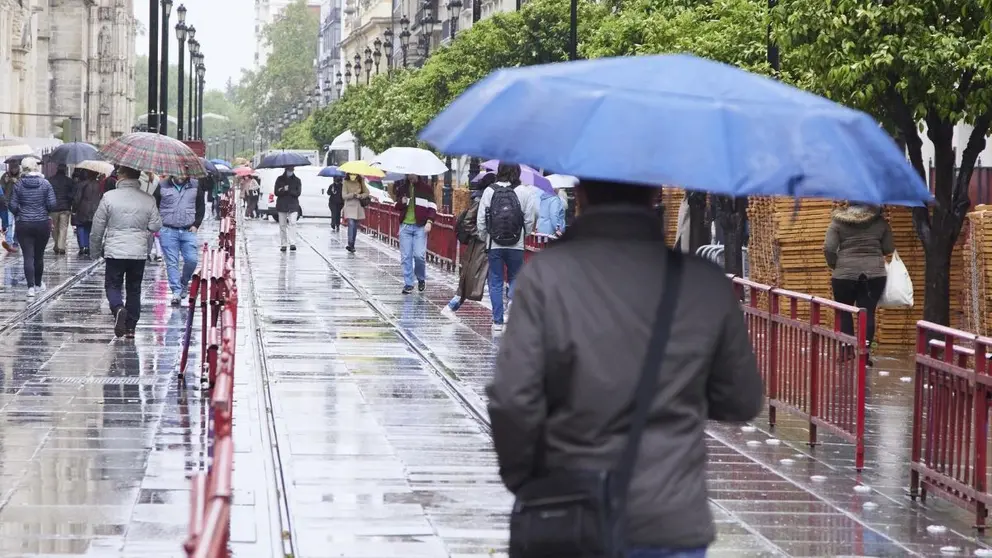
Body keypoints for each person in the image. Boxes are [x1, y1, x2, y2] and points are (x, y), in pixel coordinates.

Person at [486, 178, 764, 558]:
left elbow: (513, 398)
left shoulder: (547, 276)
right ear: (654, 196)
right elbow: (741, 399)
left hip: (569, 511)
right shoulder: (704, 283)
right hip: (668, 517)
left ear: (581, 195)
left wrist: (527, 480)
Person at [89, 166, 163, 338]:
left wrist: (94, 250)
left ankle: (118, 308)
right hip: (138, 251)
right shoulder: (148, 198)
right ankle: (131, 327)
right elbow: (155, 225)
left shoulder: (109, 197)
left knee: (113, 285)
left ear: (122, 176)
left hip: (115, 251)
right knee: (134, 288)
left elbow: (97, 227)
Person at [824, 203, 894, 364]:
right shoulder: (880, 222)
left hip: (844, 275)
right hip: (874, 274)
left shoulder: (837, 223)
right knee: (868, 312)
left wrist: (835, 264)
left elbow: (829, 248)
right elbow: (888, 247)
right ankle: (865, 354)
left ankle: (846, 351)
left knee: (844, 312)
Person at [476, 162, 538, 331]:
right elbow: (530, 219)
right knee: (515, 277)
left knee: (495, 280)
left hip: (494, 243)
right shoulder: (525, 192)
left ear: (499, 171)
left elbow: (481, 219)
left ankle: (497, 321)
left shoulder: (490, 191)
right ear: (517, 172)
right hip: (516, 244)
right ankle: (512, 299)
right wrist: (523, 236)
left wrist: (486, 237)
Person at [442, 179, 490, 318]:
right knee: (473, 277)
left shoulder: (479, 199)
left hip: (480, 244)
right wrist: (481, 235)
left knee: (472, 276)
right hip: (480, 244)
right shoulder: (481, 200)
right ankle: (454, 303)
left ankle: (454, 303)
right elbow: (468, 221)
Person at [155, 174, 205, 306]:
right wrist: (158, 225)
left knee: (192, 260)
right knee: (172, 262)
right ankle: (176, 292)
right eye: (178, 173)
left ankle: (183, 282)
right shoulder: (162, 185)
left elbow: (201, 207)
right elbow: (155, 205)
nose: (181, 176)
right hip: (168, 229)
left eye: (184, 173)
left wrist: (196, 225)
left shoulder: (195, 185)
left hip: (188, 230)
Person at [9, 158, 56, 297]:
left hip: (24, 224)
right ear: (36, 168)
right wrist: (43, 211)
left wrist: (20, 213)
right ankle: (38, 283)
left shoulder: (18, 185)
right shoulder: (45, 184)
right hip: (42, 223)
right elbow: (52, 204)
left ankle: (30, 288)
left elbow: (12, 205)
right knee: (39, 256)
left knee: (27, 256)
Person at [394, 175, 437, 294]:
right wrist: (401, 202)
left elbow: (433, 207)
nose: (410, 176)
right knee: (406, 256)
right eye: (408, 174)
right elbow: (396, 206)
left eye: (412, 174)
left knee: (419, 255)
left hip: (420, 227)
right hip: (405, 227)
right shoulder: (402, 188)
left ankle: (421, 278)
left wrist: (429, 222)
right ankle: (408, 283)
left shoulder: (426, 189)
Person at [72, 170, 104, 256]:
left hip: (83, 208)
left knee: (81, 226)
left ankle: (82, 246)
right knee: (90, 228)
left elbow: (77, 198)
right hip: (95, 208)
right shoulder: (99, 184)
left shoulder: (82, 184)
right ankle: (89, 246)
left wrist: (74, 209)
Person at [48, 164, 75, 255]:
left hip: (53, 208)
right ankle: (61, 247)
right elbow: (73, 194)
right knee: (63, 228)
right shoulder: (69, 181)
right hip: (65, 207)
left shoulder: (50, 180)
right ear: (65, 170)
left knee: (54, 228)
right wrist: (69, 200)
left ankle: (56, 245)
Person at [274, 167, 302, 252]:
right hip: (282, 204)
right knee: (282, 225)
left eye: (292, 169)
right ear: (286, 169)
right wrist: (283, 189)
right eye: (289, 169)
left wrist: (290, 190)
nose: (291, 171)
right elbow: (276, 192)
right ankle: (283, 244)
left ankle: (292, 243)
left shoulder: (297, 180)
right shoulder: (279, 179)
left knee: (293, 223)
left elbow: (298, 193)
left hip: (293, 205)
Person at [342, 173, 369, 253]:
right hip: (349, 206)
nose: (352, 175)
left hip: (358, 207)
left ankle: (352, 244)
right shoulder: (345, 182)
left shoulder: (360, 181)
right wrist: (352, 194)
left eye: (354, 174)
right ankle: (350, 244)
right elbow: (344, 196)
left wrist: (360, 196)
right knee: (351, 224)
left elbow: (367, 192)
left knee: (355, 226)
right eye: (351, 174)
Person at [1, 160, 20, 252]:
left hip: (19, 203)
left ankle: (16, 242)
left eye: (15, 168)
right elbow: (2, 189)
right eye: (11, 168)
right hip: (8, 202)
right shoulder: (5, 176)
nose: (13, 170)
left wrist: (17, 182)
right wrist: (5, 181)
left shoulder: (22, 176)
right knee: (9, 223)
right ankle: (8, 242)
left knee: (18, 223)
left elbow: (24, 187)